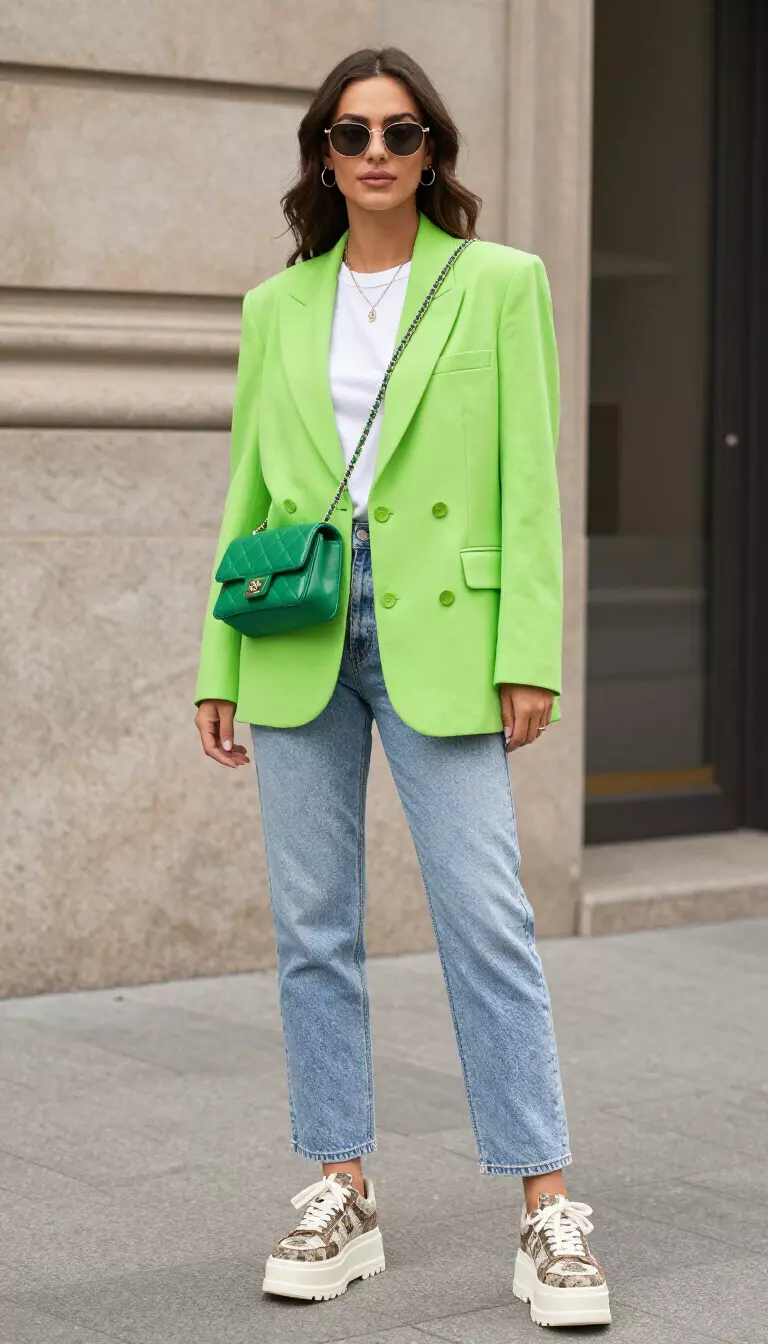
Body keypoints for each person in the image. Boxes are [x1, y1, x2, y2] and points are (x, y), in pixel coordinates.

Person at [194, 45, 610, 1331]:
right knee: (312, 924)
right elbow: (251, 496)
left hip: (444, 630)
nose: (378, 153)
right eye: (353, 133)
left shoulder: (499, 285)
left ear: (435, 152)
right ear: (322, 153)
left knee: (488, 920)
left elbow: (529, 483)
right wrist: (217, 660)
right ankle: (342, 1187)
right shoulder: (278, 308)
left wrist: (526, 651)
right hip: (298, 629)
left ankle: (547, 1210)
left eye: (404, 132)